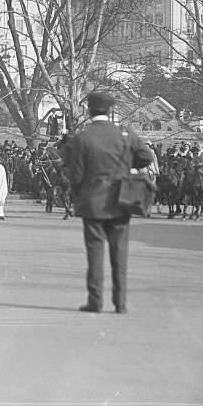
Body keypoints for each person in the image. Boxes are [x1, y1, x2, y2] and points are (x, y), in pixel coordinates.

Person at [66, 91, 153, 314]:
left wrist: (77, 194)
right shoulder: (126, 134)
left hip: (93, 202)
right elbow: (146, 157)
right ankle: (120, 303)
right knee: (120, 252)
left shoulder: (83, 138)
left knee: (95, 253)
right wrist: (127, 167)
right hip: (122, 199)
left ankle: (95, 301)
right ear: (111, 110)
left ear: (89, 110)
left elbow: (75, 175)